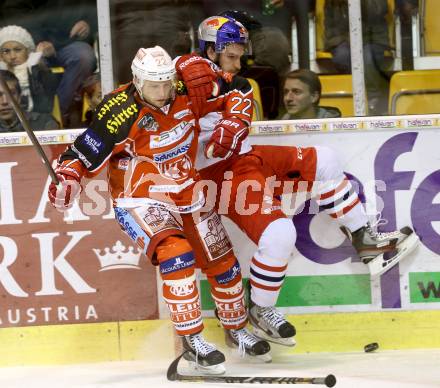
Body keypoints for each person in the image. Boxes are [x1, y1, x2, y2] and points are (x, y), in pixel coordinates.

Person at [195, 15, 419, 346]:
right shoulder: (179, 83)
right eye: (232, 55)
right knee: (280, 234)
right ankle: (260, 310)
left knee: (325, 160)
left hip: (245, 161)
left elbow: (234, 124)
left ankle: (366, 242)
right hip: (216, 177)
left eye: (242, 54)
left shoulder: (237, 85)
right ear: (210, 51)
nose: (239, 63)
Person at [47, 46, 270, 373]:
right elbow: (81, 155)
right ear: (137, 81)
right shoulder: (118, 110)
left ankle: (236, 330)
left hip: (188, 191)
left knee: (221, 261)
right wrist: (66, 181)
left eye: (167, 83)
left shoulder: (186, 87)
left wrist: (236, 120)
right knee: (176, 254)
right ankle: (192, 342)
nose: (163, 92)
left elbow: (238, 89)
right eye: (154, 85)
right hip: (140, 197)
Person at [111, 0, 205, 85]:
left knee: (170, 80)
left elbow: (196, 8)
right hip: (129, 25)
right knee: (130, 81)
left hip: (167, 23)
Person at [323, 0, 390, 115]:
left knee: (368, 57)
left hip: (372, 39)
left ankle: (373, 98)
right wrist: (344, 38)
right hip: (342, 41)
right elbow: (330, 28)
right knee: (342, 56)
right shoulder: (331, 2)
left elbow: (378, 12)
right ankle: (351, 94)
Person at [0, 25, 58, 114]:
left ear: (28, 51)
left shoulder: (41, 71)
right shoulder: (1, 75)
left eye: (18, 50)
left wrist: (34, 69)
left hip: (37, 122)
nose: (12, 56)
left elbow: (45, 107)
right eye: (6, 51)